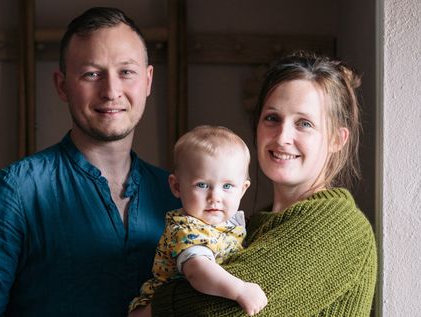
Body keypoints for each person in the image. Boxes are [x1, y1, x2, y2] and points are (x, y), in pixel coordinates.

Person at [0, 7, 180, 317]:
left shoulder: (175, 195)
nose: (111, 91)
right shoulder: (10, 194)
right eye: (91, 74)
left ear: (147, 81)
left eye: (126, 72)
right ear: (62, 85)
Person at [151, 51, 377, 316]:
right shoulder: (253, 225)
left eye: (304, 123)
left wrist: (152, 307)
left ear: (337, 139)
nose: (282, 137)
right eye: (272, 118)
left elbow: (216, 312)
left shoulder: (340, 224)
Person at [128, 125, 267, 317]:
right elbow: (198, 273)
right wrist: (240, 289)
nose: (215, 196)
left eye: (227, 186)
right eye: (202, 185)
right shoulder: (186, 228)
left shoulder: (232, 224)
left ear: (243, 190)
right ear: (177, 186)